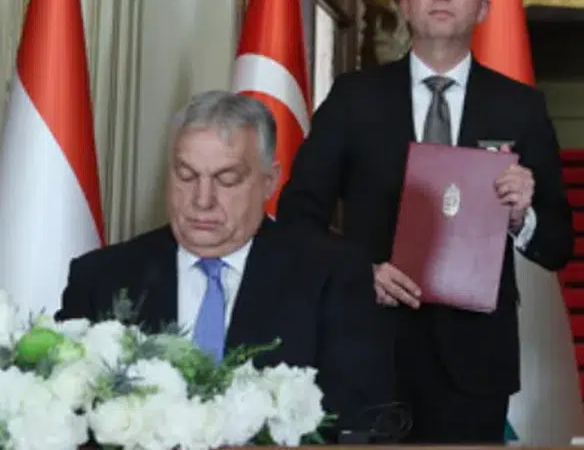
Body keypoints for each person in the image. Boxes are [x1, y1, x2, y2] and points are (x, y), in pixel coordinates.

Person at [275, 0, 574, 444]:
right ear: (404, 3)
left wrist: (521, 218)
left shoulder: (520, 107)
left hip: (475, 362)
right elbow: (297, 215)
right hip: (369, 347)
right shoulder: (354, 98)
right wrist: (359, 273)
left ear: (484, 8)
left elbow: (560, 244)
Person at [57, 91, 393, 441]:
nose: (202, 200)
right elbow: (67, 420)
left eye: (227, 179)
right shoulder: (101, 278)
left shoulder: (331, 276)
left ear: (269, 181)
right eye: (186, 176)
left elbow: (354, 423)